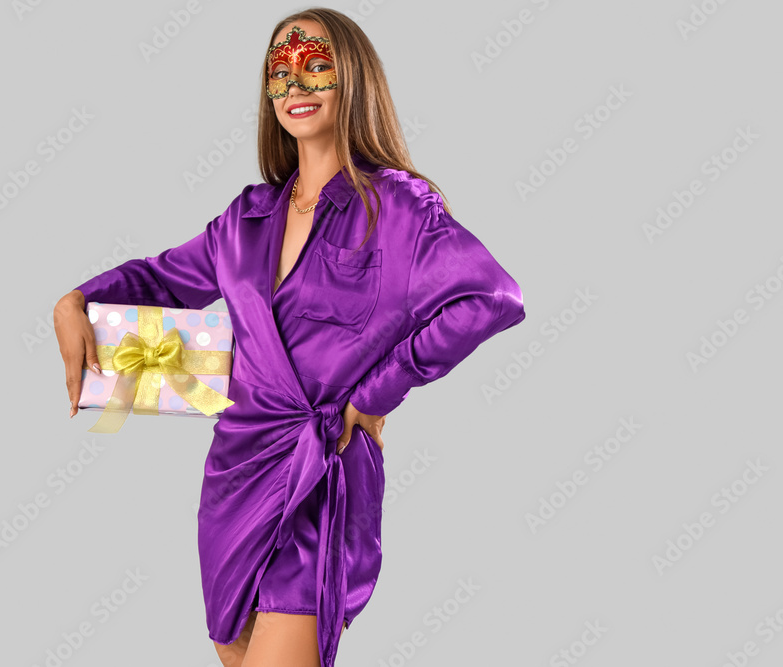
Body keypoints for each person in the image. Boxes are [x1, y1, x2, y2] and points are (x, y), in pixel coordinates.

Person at [53, 8, 525, 667]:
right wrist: (75, 300)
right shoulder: (245, 219)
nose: (295, 84)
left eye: (315, 66)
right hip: (233, 477)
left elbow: (491, 297)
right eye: (280, 71)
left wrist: (378, 391)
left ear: (352, 78)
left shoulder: (398, 208)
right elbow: (161, 281)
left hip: (321, 477)